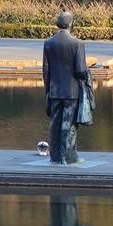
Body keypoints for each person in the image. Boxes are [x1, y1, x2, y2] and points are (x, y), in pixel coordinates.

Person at [42, 11, 90, 165]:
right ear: (70, 23)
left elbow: (46, 71)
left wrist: (48, 90)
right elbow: (80, 70)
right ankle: (68, 157)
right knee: (69, 124)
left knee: (55, 123)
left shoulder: (48, 43)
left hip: (54, 90)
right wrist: (88, 73)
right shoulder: (77, 43)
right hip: (71, 91)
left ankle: (55, 156)